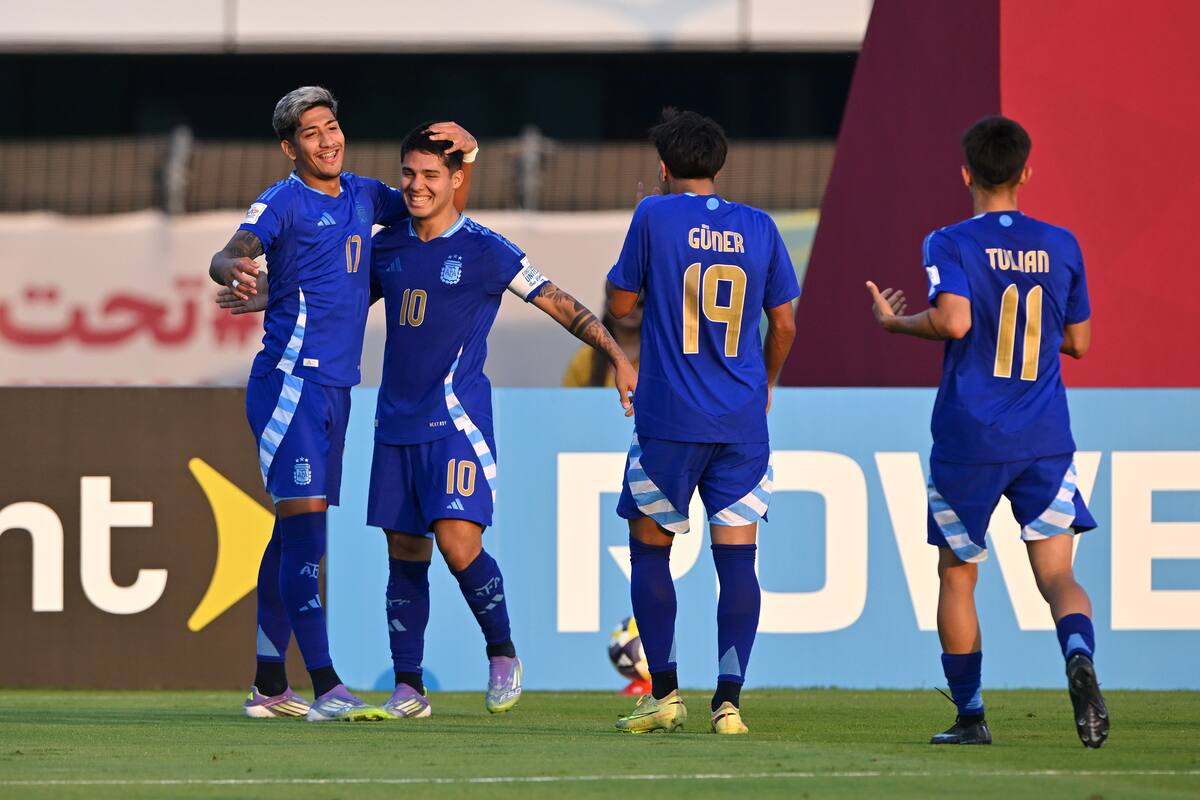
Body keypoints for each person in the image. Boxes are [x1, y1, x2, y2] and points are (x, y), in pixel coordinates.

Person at [207, 85, 477, 722]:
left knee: (289, 538)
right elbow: (234, 249)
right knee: (306, 536)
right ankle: (327, 685)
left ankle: (269, 686)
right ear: (289, 148)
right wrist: (231, 268)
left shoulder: (363, 195)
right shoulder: (283, 201)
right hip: (291, 385)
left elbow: (433, 200)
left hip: (336, 389)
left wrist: (463, 154)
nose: (327, 141)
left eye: (331, 127)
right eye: (311, 134)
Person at [366, 124, 636, 718]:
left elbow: (557, 301)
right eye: (408, 173)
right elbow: (338, 304)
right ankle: (409, 688)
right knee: (404, 550)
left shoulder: (485, 249)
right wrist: (268, 295)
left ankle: (502, 652)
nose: (416, 185)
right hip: (393, 423)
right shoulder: (385, 247)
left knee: (456, 541)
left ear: (456, 180)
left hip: (455, 421)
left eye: (430, 175)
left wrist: (617, 356)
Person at [865, 115, 1108, 748]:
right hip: (1043, 435)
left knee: (957, 574)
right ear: (1026, 172)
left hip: (969, 438)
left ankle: (971, 716)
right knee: (1058, 577)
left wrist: (894, 324)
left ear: (965, 173)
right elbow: (1080, 341)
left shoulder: (948, 241)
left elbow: (953, 322)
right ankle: (1078, 655)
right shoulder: (1062, 244)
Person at [606, 108, 800, 735]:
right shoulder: (760, 226)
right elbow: (785, 323)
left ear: (664, 168)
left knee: (650, 551)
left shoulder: (654, 215)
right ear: (719, 166)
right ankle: (729, 704)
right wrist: (766, 382)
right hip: (741, 421)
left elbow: (620, 304)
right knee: (738, 562)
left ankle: (665, 694)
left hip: (669, 417)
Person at [561, 283, 642, 387]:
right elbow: (569, 396)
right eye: (624, 302)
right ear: (607, 305)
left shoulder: (659, 354)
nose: (633, 308)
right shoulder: (586, 358)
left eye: (641, 303)